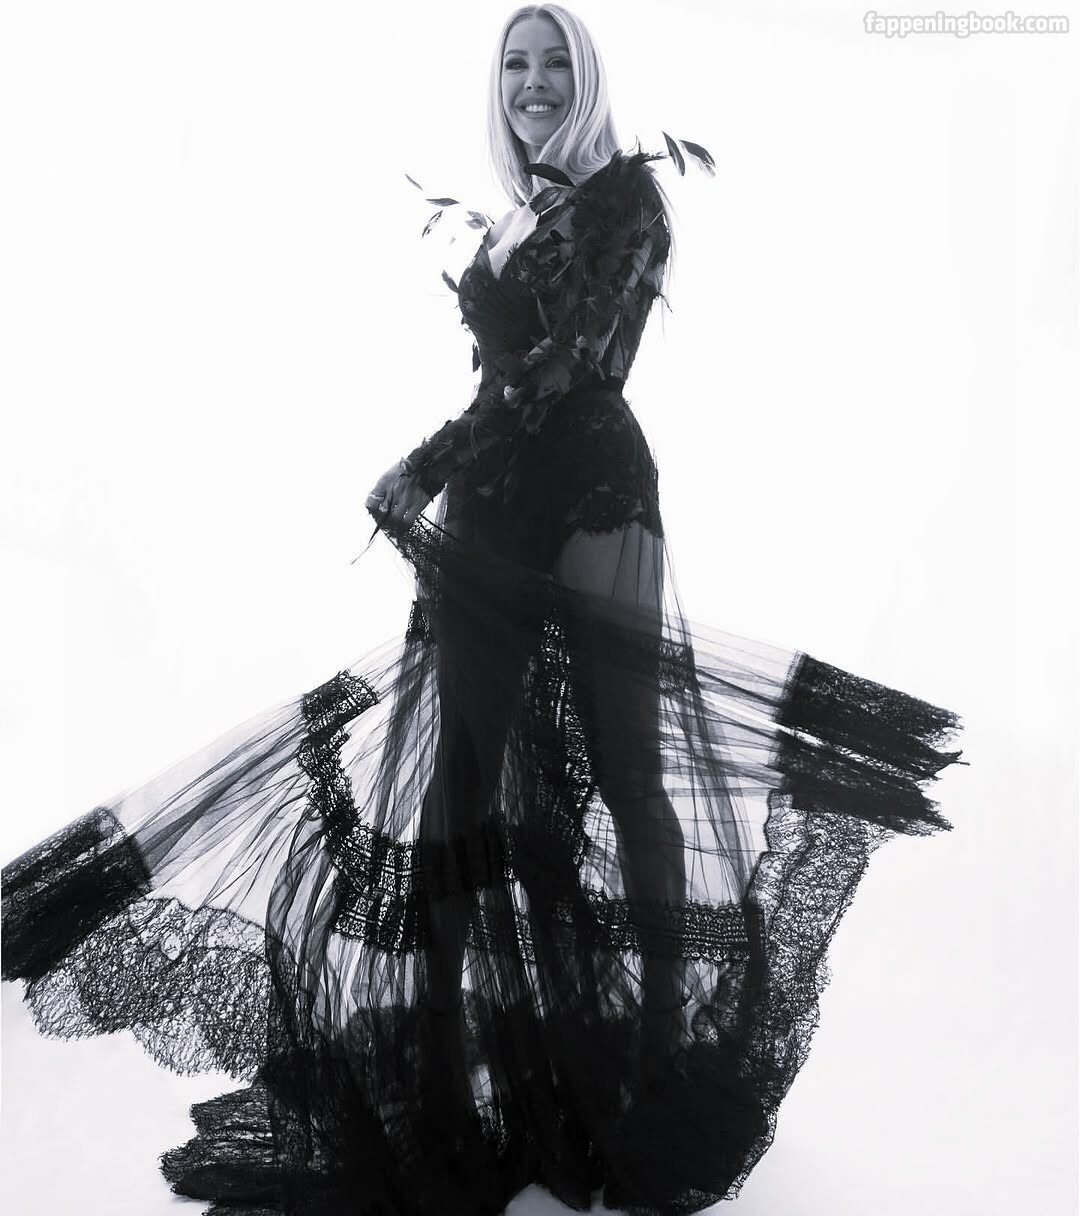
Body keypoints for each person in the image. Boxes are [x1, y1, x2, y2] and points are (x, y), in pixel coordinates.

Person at [1, 6, 963, 1215]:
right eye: (517, 63)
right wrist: (443, 468)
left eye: (556, 62)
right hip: (496, 505)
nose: (535, 81)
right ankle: (439, 1054)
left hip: (595, 494)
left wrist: (427, 460)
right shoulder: (509, 216)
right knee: (460, 779)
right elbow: (503, 382)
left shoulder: (629, 201)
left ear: (588, 79)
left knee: (625, 768)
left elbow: (564, 372)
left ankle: (657, 1048)